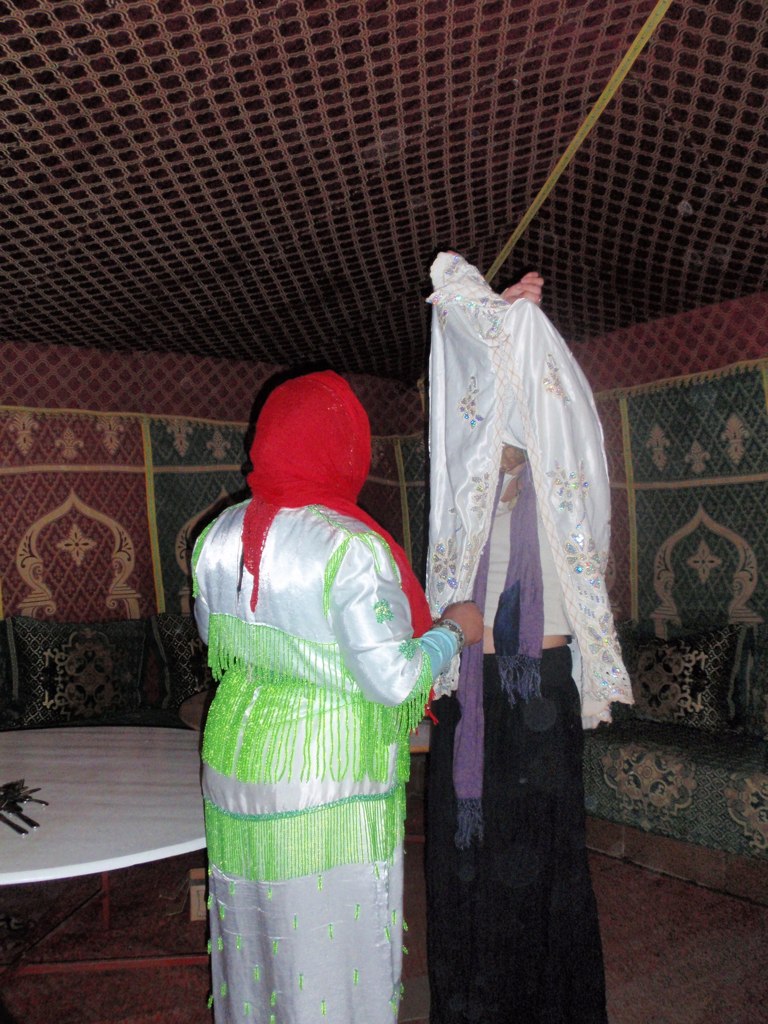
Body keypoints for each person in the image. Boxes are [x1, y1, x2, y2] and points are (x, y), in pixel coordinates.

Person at [191, 369, 484, 1024]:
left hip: (236, 758)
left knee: (254, 933)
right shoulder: (350, 546)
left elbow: (219, 641)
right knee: (329, 947)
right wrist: (452, 632)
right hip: (324, 776)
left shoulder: (217, 535)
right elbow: (396, 679)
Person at [423, 253, 632, 1024]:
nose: (494, 433)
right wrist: (494, 328)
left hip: (538, 687)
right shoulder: (461, 500)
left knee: (543, 868)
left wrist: (517, 330)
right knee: (469, 866)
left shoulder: (563, 490)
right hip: (470, 697)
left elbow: (550, 413)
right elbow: (471, 399)